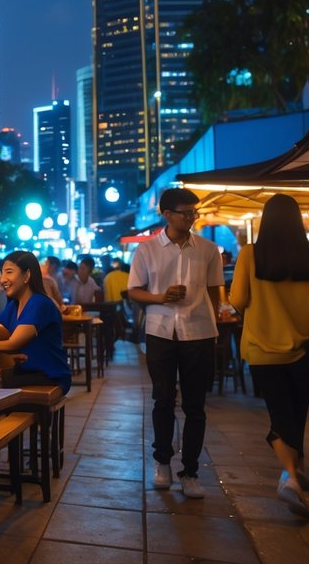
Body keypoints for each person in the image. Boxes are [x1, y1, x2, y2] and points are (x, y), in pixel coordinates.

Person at [228, 194, 309, 519]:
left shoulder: (250, 254)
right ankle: (297, 480)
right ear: (298, 221)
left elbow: (238, 299)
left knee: (280, 418)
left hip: (262, 351)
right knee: (297, 417)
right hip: (305, 348)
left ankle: (290, 478)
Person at [128, 187, 223, 499]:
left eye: (194, 212)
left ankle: (191, 471)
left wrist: (214, 323)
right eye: (185, 212)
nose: (191, 217)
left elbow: (213, 293)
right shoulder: (147, 250)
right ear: (166, 214)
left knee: (196, 405)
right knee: (163, 400)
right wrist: (161, 297)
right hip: (161, 331)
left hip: (199, 332)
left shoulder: (209, 250)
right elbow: (134, 291)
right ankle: (162, 462)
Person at [0, 250, 71, 391]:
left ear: (27, 275)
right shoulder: (14, 304)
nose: (2, 279)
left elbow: (12, 344)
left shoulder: (39, 303)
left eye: (9, 272)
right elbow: (3, 333)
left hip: (49, 376)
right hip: (25, 373)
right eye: (2, 273)